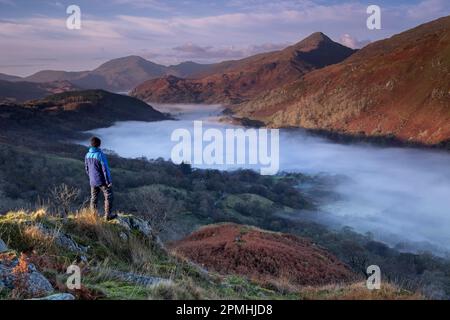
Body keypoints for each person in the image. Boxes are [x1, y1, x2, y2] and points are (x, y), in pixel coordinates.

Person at [85, 137, 116, 220]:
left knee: (93, 198)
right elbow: (105, 169)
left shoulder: (87, 155)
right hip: (102, 180)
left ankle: (93, 216)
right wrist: (108, 181)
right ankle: (107, 216)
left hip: (92, 181)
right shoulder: (100, 155)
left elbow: (87, 168)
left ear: (91, 144)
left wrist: (91, 177)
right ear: (99, 144)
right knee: (109, 196)